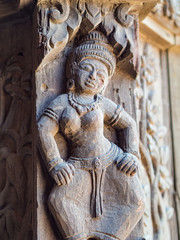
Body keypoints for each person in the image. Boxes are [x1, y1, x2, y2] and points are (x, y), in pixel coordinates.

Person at [38, 31, 145, 240]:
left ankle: (110, 236)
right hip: (78, 164)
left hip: (111, 159)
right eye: (87, 69)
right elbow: (43, 129)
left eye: (101, 75)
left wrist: (131, 153)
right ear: (73, 70)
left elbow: (129, 124)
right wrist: (55, 164)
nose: (94, 77)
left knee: (136, 202)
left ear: (105, 82)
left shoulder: (101, 103)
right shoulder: (61, 103)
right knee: (58, 200)